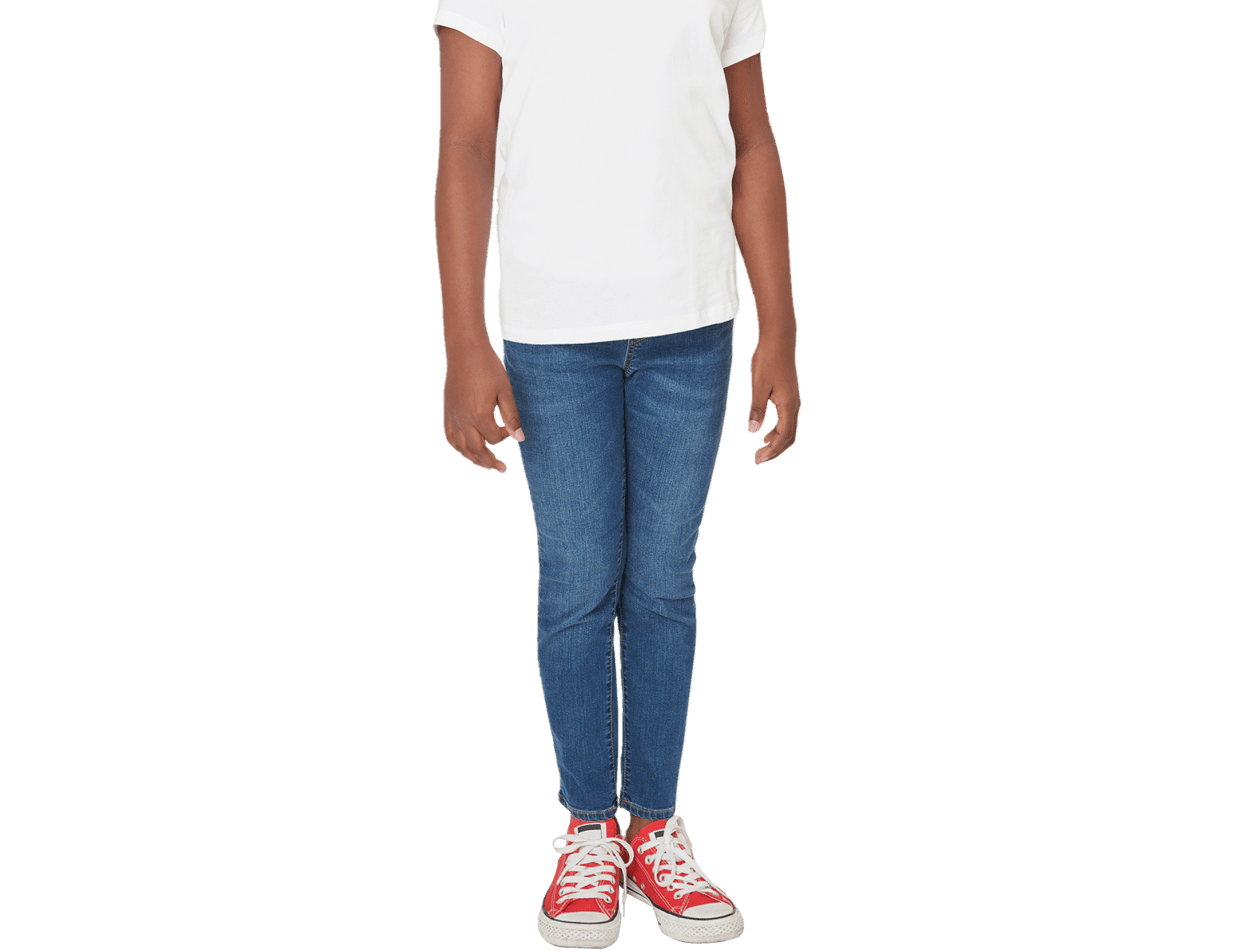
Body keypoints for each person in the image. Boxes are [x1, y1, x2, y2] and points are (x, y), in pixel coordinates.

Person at [432, 2, 801, 945]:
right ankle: (590, 831)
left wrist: (782, 327)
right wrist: (464, 340)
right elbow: (466, 144)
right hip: (555, 334)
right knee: (577, 583)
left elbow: (751, 140)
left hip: (692, 326)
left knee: (664, 586)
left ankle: (655, 830)